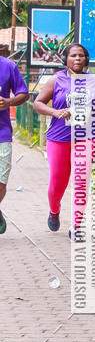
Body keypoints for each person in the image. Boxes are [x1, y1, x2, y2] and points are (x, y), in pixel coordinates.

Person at [33, 43, 95, 237]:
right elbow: (38, 103)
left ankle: (76, 226)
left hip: (86, 136)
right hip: (59, 138)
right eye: (73, 55)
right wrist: (55, 112)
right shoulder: (57, 79)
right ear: (66, 59)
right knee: (57, 182)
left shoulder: (94, 81)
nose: (78, 59)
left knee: (81, 179)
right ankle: (54, 211)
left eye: (81, 55)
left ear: (86, 59)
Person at [0, 55, 29, 234]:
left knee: (1, 182)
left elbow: (23, 93)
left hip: (2, 135)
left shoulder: (8, 66)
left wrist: (9, 102)